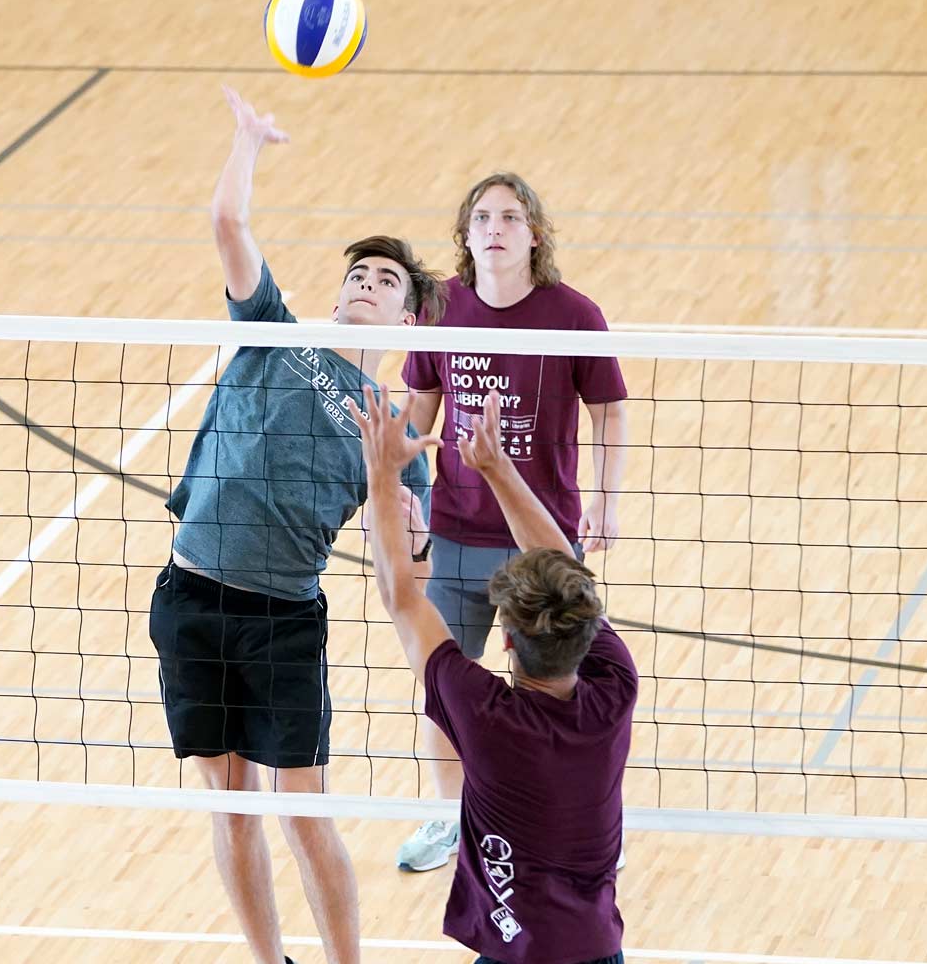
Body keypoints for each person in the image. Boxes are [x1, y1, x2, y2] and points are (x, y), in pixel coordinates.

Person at [147, 86, 441, 964]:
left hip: (281, 621)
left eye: (385, 282)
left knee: (303, 813)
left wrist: (410, 514)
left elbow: (409, 565)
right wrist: (247, 141)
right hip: (191, 593)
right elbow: (228, 224)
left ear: (409, 320)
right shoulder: (276, 329)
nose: (365, 284)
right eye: (358, 273)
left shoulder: (394, 425)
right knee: (230, 806)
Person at [349, 386, 636, 964]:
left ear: (504, 640)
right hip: (599, 950)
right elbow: (568, 572)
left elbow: (401, 598)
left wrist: (381, 476)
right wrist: (500, 469)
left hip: (515, 954)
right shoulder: (614, 688)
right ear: (583, 633)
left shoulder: (484, 712)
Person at [396, 172, 631, 870]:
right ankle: (451, 819)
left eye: (509, 216)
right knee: (443, 685)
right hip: (455, 532)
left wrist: (607, 499)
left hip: (540, 546)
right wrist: (397, 492)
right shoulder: (443, 310)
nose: (494, 228)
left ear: (534, 234)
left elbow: (610, 409)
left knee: (561, 691)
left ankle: (572, 822)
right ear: (466, 237)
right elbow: (420, 409)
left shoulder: (574, 316)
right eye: (481, 218)